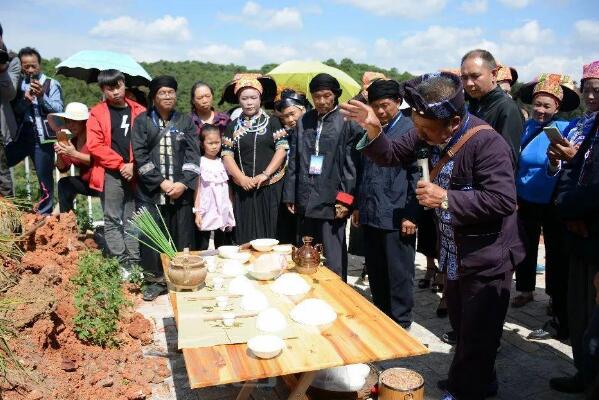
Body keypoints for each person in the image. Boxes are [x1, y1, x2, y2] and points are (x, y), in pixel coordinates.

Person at [341, 72, 525, 400]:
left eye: (425, 131)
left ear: (454, 123)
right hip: (454, 255)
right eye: (417, 127)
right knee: (463, 328)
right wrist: (373, 127)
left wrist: (446, 198)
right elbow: (391, 154)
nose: (419, 136)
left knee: (479, 335)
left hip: (486, 258)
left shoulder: (487, 143)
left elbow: (503, 200)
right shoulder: (427, 130)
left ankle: (471, 389)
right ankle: (469, 381)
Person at [512, 74, 579, 343]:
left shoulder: (567, 128)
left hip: (551, 200)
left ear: (558, 108)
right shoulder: (527, 128)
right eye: (538, 104)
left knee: (554, 251)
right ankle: (526, 289)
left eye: (547, 106)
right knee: (524, 246)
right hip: (525, 197)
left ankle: (553, 296)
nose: (541, 110)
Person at [549, 60, 599, 395]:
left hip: (595, 228)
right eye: (588, 89)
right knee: (579, 307)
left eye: (598, 89)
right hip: (577, 227)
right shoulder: (584, 125)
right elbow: (573, 169)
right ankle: (583, 373)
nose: (592, 95)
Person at [352, 78, 419, 328]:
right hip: (371, 210)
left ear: (398, 102)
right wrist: (358, 205)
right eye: (375, 106)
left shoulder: (411, 131)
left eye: (385, 105)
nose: (380, 111)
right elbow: (362, 170)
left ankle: (401, 320)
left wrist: (412, 213)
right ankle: (381, 314)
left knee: (399, 272)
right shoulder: (370, 129)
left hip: (397, 212)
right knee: (376, 268)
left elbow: (417, 175)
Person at [283, 73, 362, 281]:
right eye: (317, 96)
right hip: (306, 196)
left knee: (332, 256)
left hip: (331, 199)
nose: (321, 101)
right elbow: (294, 158)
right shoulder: (304, 121)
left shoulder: (346, 121)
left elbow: (351, 165)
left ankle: (338, 296)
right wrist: (290, 193)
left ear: (335, 95)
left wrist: (345, 200)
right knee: (306, 252)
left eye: (326, 96)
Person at [132, 75, 201, 301]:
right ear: (153, 96)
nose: (168, 96)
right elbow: (140, 156)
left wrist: (183, 183)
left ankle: (182, 278)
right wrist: (161, 182)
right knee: (152, 239)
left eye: (171, 92)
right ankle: (154, 282)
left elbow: (193, 155)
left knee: (182, 237)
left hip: (180, 195)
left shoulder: (185, 122)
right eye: (162, 92)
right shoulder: (142, 121)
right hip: (151, 193)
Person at [87, 69, 145, 271]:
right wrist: (120, 164)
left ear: (124, 84)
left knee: (133, 217)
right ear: (103, 89)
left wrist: (134, 165)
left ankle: (135, 262)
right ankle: (121, 263)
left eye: (118, 86)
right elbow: (95, 145)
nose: (115, 92)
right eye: (109, 89)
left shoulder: (139, 110)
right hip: (110, 172)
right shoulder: (97, 112)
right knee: (112, 217)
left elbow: (147, 142)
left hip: (135, 171)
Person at [221, 74, 288, 244]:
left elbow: (282, 149)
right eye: (244, 98)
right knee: (245, 237)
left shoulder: (273, 122)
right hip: (244, 189)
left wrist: (265, 174)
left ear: (260, 99)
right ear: (239, 100)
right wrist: (241, 178)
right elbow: (227, 155)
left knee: (272, 235)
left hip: (270, 186)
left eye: (253, 97)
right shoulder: (232, 125)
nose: (249, 102)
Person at [10, 47, 63, 213]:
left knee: (44, 176)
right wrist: (25, 101)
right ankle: (9, 205)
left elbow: (59, 109)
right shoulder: (16, 84)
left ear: (40, 65)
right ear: (20, 66)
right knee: (4, 164)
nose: (30, 70)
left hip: (43, 137)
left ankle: (44, 213)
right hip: (19, 135)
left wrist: (42, 97)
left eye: (34, 66)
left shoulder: (52, 84)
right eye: (26, 66)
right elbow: (14, 111)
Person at [461, 49, 524, 163]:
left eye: (475, 76)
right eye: (464, 77)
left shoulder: (507, 108)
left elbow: (507, 160)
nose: (469, 83)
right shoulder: (474, 104)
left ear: (494, 74)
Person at [48, 102, 99, 212]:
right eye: (68, 122)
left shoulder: (95, 138)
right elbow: (62, 168)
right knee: (64, 183)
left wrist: (74, 154)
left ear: (85, 122)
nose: (71, 125)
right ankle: (66, 221)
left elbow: (97, 161)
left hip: (104, 184)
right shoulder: (73, 142)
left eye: (75, 121)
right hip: (87, 183)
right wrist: (59, 152)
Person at [194, 124, 234, 249]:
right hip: (206, 206)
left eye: (217, 142)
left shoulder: (223, 162)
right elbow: (197, 189)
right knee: (204, 241)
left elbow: (228, 188)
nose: (214, 146)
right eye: (210, 143)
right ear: (202, 144)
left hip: (222, 206)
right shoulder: (199, 162)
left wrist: (230, 207)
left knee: (221, 241)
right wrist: (197, 212)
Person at [0, 33, 17, 196]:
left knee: (3, 178)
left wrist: (2, 69)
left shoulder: (11, 59)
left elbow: (10, 94)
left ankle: (8, 218)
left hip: (1, 129)